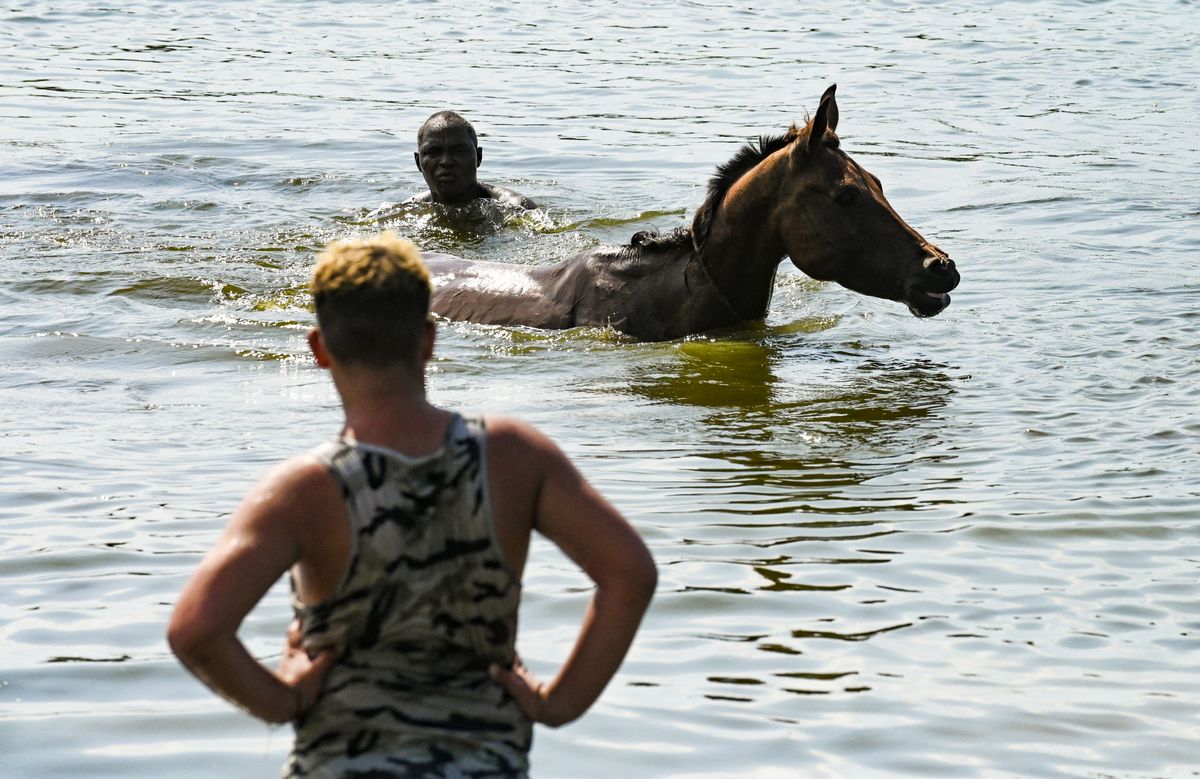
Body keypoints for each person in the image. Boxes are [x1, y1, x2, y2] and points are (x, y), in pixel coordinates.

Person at [167, 231, 655, 777]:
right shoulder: (514, 456)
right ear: (428, 339)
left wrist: (283, 700)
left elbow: (195, 630)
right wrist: (556, 704)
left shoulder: (304, 490)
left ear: (318, 350)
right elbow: (629, 573)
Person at [413, 111, 537, 209]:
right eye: (433, 152)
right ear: (418, 162)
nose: (446, 161)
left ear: (479, 157)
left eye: (458, 151)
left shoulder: (516, 208)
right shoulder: (403, 213)